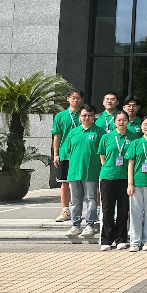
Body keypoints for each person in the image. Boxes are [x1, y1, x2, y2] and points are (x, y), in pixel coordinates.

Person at [63, 104, 105, 239]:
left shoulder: (100, 132)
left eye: (90, 115)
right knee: (75, 201)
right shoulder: (73, 132)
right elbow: (68, 150)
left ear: (94, 117)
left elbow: (104, 153)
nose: (87, 117)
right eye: (84, 115)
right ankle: (75, 225)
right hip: (74, 172)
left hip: (91, 172)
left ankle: (90, 225)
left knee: (91, 199)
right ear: (80, 117)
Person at [97, 110, 135, 251]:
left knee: (123, 209)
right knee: (107, 209)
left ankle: (121, 239)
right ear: (114, 122)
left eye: (124, 119)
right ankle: (106, 239)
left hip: (125, 177)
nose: (121, 122)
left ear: (128, 121)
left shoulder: (133, 137)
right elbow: (102, 155)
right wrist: (108, 167)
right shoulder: (106, 137)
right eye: (119, 120)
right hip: (108, 176)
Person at [126, 115, 147, 252]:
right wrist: (130, 183)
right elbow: (130, 164)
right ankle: (135, 241)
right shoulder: (135, 143)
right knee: (135, 212)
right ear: (141, 127)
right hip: (137, 182)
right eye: (145, 124)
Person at [52, 88, 84, 223]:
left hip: (82, 154)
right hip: (66, 154)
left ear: (81, 100)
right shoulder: (60, 116)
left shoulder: (85, 115)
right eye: (73, 97)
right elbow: (57, 136)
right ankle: (65, 210)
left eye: (78, 98)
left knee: (86, 183)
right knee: (65, 182)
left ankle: (85, 211)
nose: (75, 100)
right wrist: (56, 154)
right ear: (68, 99)